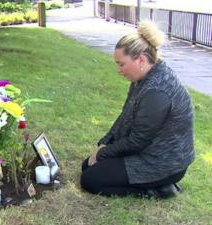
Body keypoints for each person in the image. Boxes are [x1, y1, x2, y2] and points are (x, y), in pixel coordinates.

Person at [80, 21, 195, 198]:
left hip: (164, 162)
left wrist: (103, 153)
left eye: (121, 64)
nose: (119, 70)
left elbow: (137, 141)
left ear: (141, 59)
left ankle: (160, 189)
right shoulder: (142, 78)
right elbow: (124, 116)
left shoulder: (157, 91)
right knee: (86, 166)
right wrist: (105, 143)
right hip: (148, 150)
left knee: (90, 180)